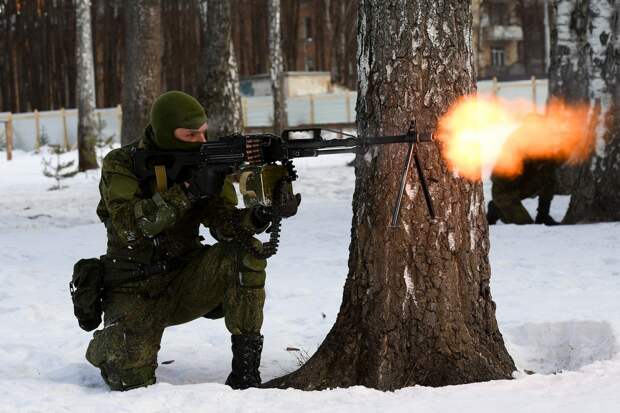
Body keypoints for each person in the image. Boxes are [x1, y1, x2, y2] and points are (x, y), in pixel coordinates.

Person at [85, 91, 300, 391]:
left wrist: (261, 215)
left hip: (187, 280)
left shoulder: (208, 162)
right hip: (133, 287)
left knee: (242, 253)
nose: (201, 141)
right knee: (130, 379)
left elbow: (224, 226)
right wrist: (187, 191)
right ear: (164, 133)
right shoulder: (121, 163)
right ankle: (108, 344)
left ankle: (246, 374)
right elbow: (129, 228)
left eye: (203, 132)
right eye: (190, 134)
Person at [486, 159, 559, 225]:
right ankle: (496, 208)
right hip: (504, 190)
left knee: (549, 176)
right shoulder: (516, 149)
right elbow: (500, 179)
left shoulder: (544, 150)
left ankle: (543, 215)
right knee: (525, 224)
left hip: (521, 184)